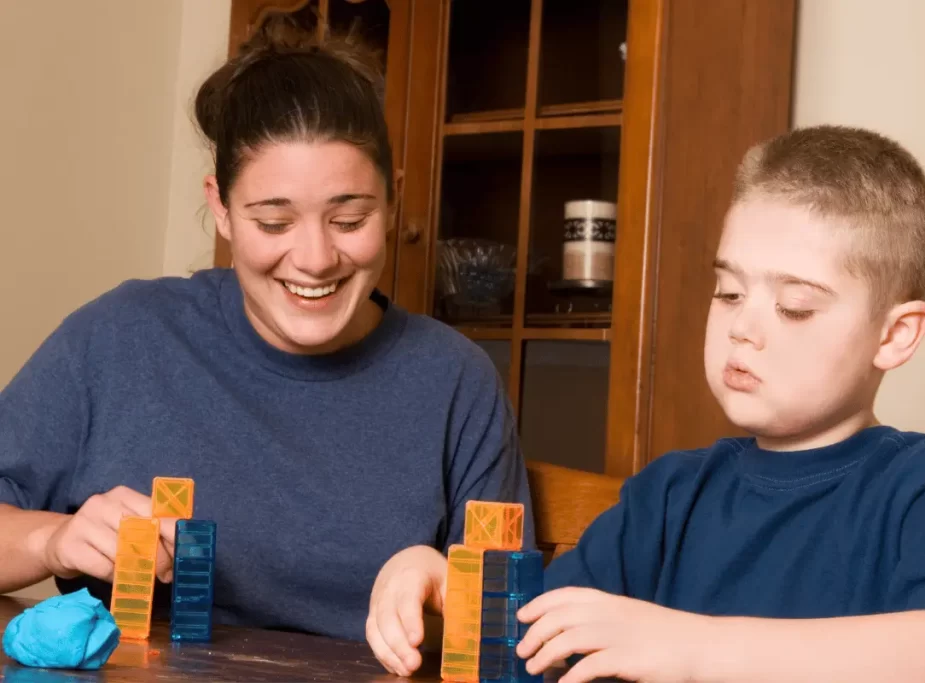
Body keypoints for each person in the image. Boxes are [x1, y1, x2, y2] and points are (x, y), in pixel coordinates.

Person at [369, 124, 925, 681]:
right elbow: (539, 635)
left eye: (795, 306)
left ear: (895, 333)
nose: (743, 327)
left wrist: (689, 645)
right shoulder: (668, 496)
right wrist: (442, 587)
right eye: (729, 292)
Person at [0, 26, 533, 645]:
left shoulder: (455, 380)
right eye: (274, 221)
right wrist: (51, 540)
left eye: (350, 219)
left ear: (394, 202)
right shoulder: (120, 335)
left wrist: (443, 584)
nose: (314, 258)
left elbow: (508, 626)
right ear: (221, 210)